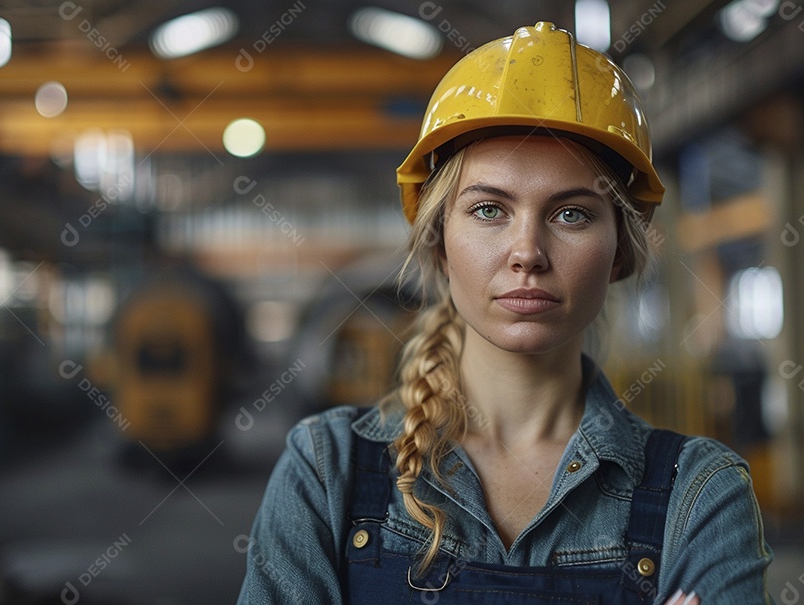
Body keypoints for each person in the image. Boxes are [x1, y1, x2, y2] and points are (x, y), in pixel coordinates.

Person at [238, 22, 774, 604]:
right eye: (490, 209)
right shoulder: (325, 471)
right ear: (439, 242)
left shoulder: (699, 494)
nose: (528, 253)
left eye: (571, 214)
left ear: (620, 248)